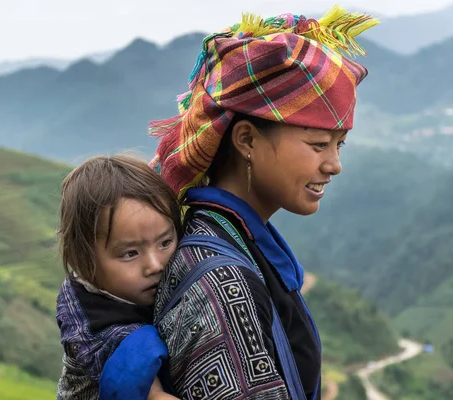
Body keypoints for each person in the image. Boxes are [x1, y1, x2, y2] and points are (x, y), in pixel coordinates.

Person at [149, 6, 378, 399]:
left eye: (339, 146)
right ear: (247, 140)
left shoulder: (234, 244)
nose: (334, 165)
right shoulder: (221, 281)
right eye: (318, 145)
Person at [54, 155, 181, 400]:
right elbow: (147, 391)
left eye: (165, 242)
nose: (155, 265)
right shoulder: (95, 324)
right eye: (130, 253)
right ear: (82, 260)